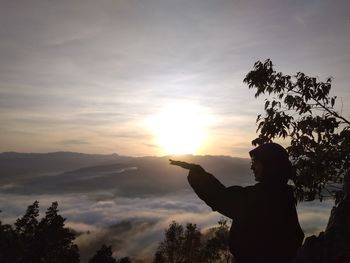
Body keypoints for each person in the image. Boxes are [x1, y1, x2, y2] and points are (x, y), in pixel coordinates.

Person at [170, 143, 304, 263]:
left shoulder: (263, 197)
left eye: (256, 162)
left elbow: (222, 198)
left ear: (270, 165)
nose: (252, 167)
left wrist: (197, 172)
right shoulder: (283, 195)